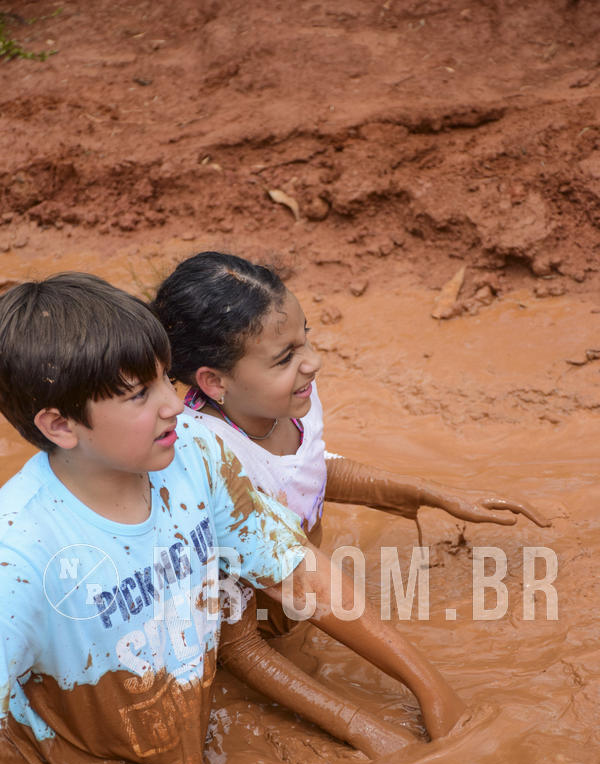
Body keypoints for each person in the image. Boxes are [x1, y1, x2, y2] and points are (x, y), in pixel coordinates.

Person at [0, 273, 465, 764]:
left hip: (175, 729)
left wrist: (429, 686)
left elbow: (294, 568)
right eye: (139, 395)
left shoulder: (192, 454)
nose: (173, 401)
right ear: (60, 426)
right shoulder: (21, 556)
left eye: (167, 376)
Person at [150, 250, 549, 638]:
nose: (313, 361)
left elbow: (303, 472)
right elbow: (241, 642)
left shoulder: (289, 396)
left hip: (303, 601)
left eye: (305, 337)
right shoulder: (202, 455)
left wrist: (436, 495)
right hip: (256, 624)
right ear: (215, 382)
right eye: (285, 356)